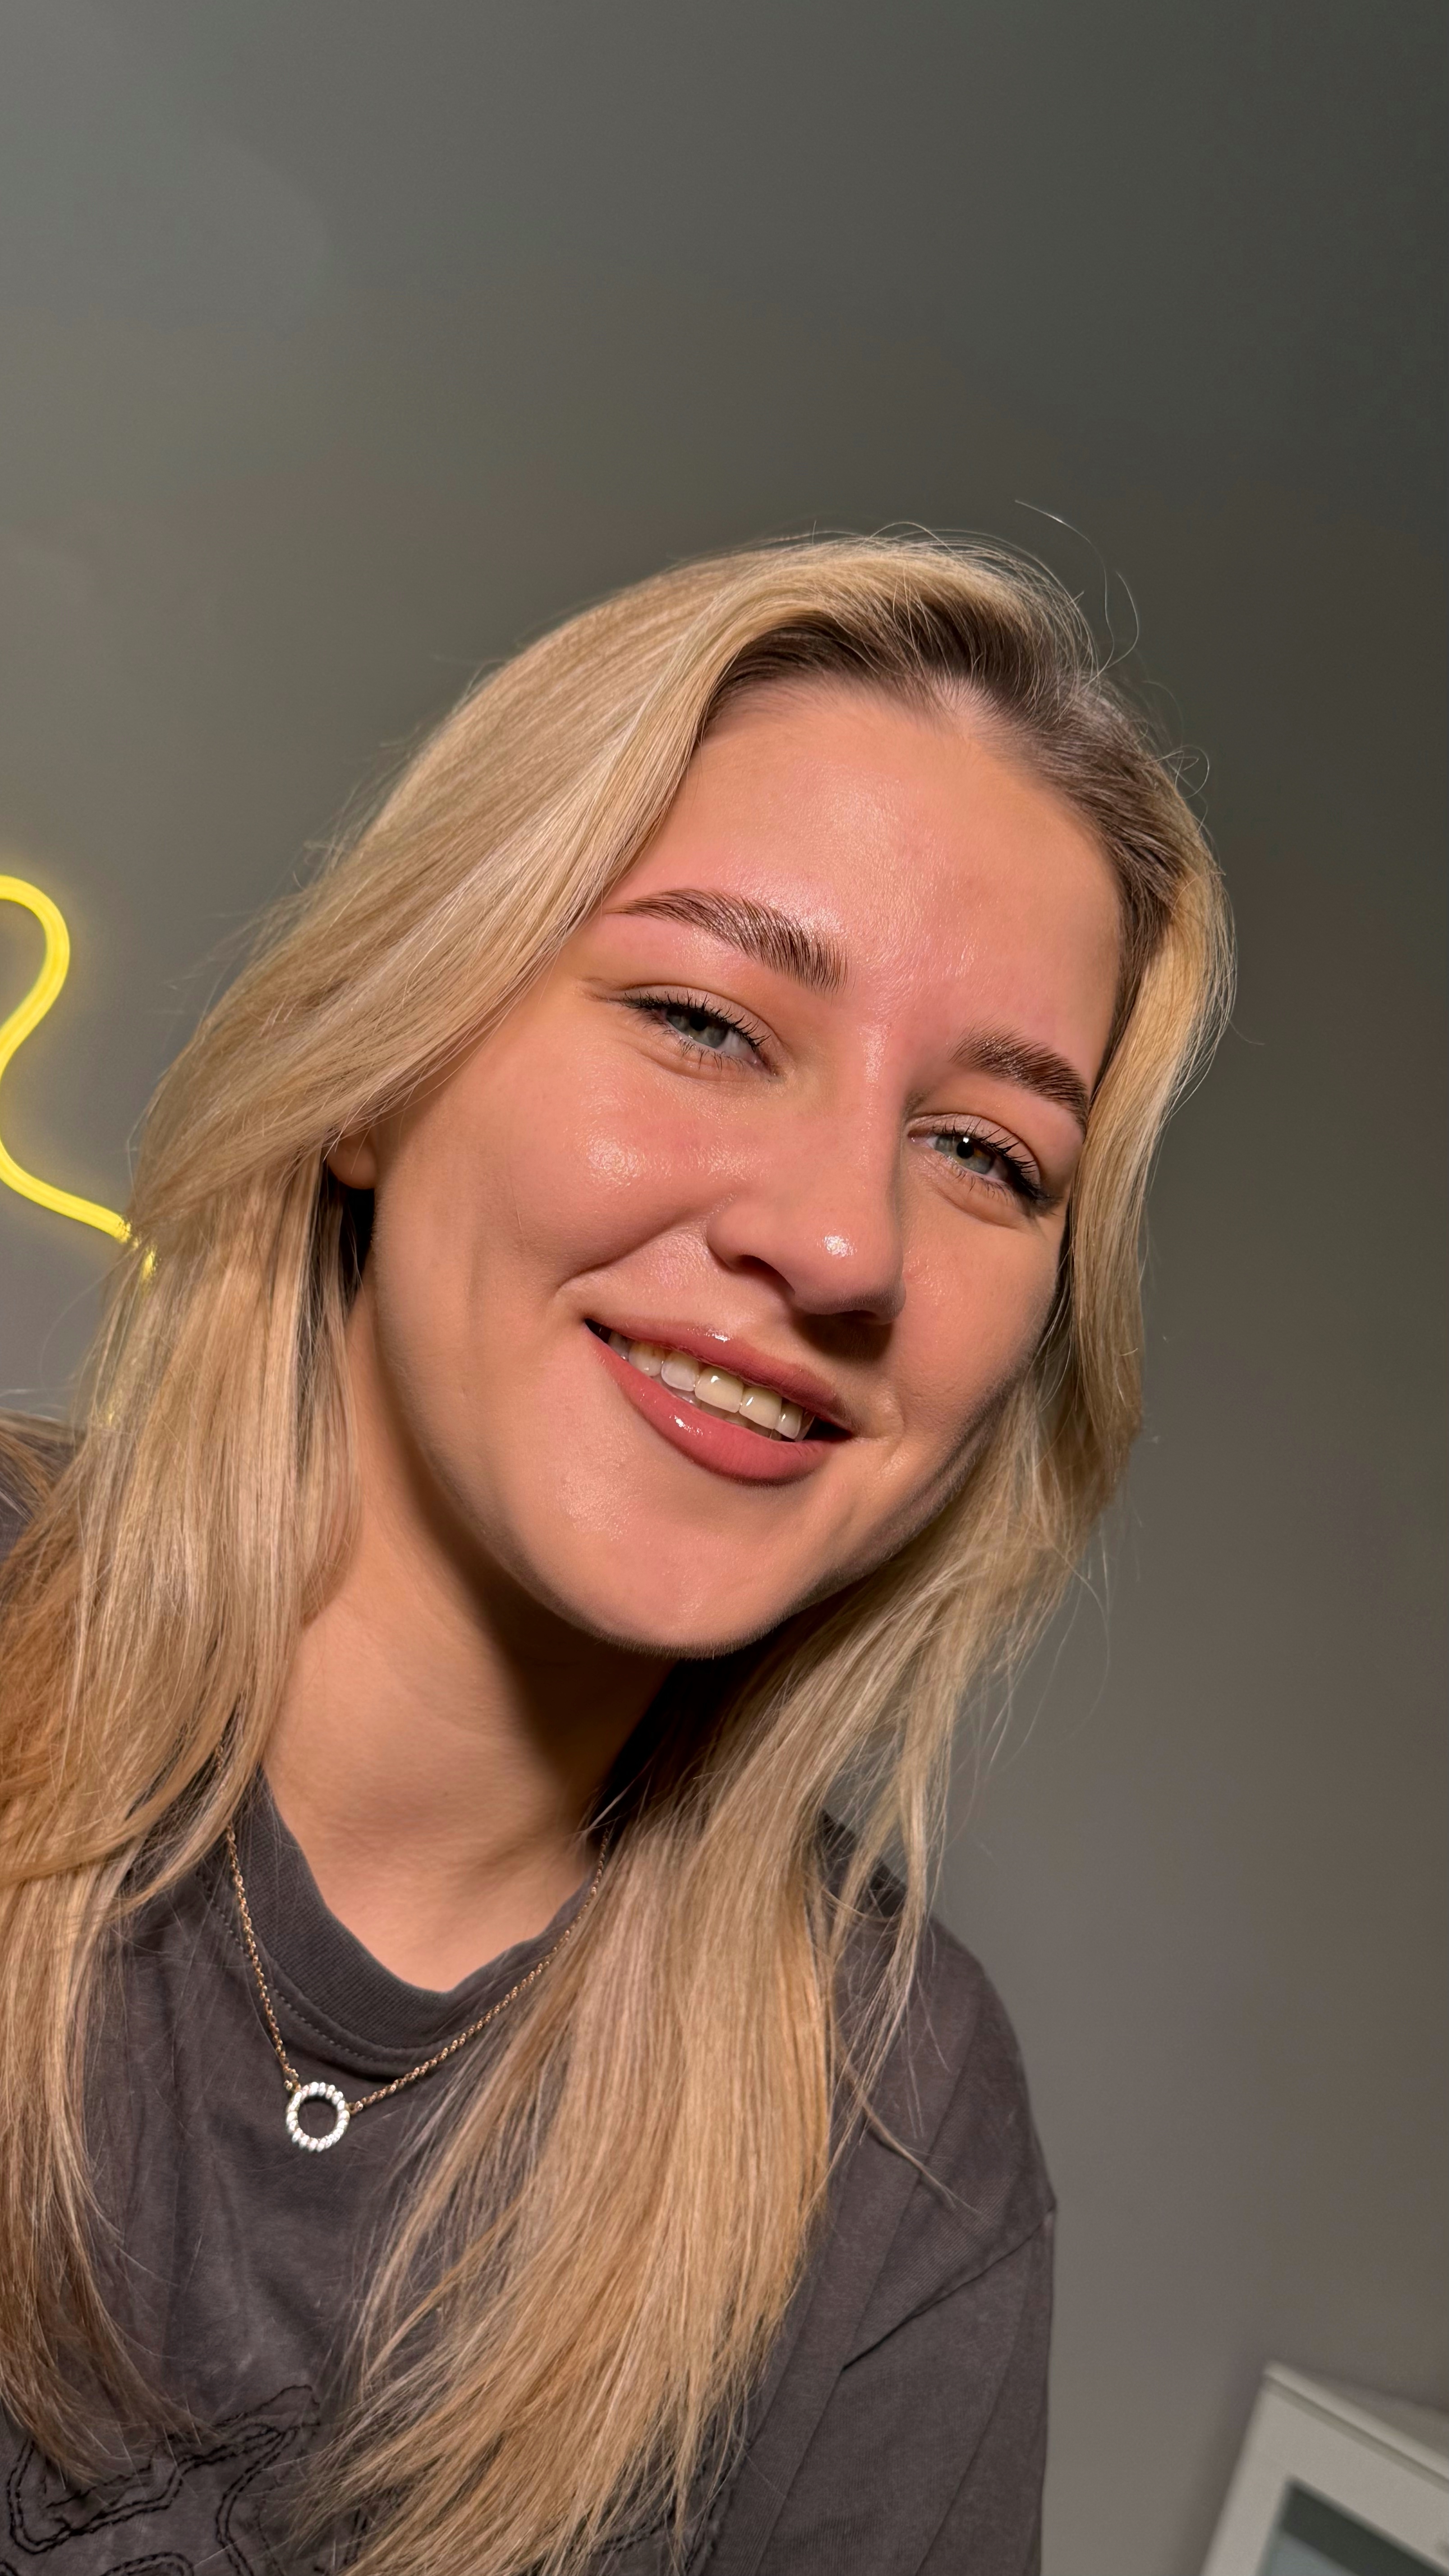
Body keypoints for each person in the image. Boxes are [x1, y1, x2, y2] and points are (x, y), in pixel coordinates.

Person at [0, 536, 1230, 2576]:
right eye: (706, 1021)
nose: (841, 1244)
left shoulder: (898, 2147)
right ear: (385, 1064)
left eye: (985, 1153)